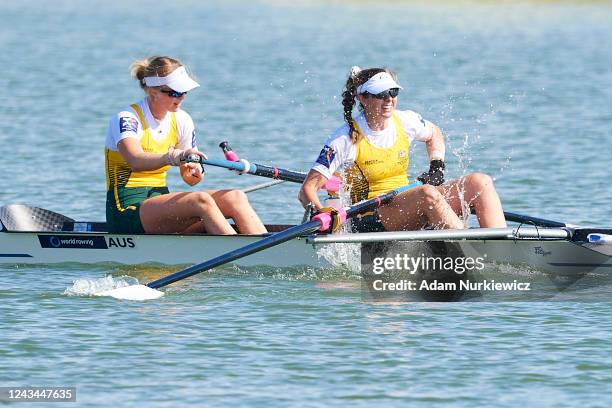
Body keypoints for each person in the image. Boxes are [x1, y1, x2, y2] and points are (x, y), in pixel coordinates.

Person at [298, 66, 506, 232]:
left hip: (405, 202)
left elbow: (434, 134)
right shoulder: (344, 139)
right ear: (363, 98)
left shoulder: (406, 120)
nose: (389, 99)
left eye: (393, 92)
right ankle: (472, 252)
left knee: (480, 182)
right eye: (381, 94)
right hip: (370, 215)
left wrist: (437, 166)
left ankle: (502, 249)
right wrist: (324, 212)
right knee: (427, 194)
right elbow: (307, 190)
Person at [105, 56, 267, 235]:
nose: (181, 97)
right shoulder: (127, 118)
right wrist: (171, 156)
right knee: (200, 200)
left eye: (184, 92)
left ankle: (268, 251)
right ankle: (240, 255)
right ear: (153, 92)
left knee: (235, 197)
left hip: (160, 201)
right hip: (127, 210)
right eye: (175, 92)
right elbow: (135, 160)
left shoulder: (182, 119)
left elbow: (190, 180)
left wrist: (194, 172)